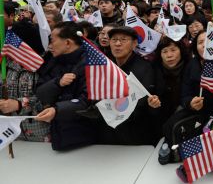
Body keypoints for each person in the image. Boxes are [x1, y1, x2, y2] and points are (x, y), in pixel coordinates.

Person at [35, 22, 98, 150]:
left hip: (87, 137)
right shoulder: (53, 60)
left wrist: (57, 110)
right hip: (58, 133)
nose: (50, 45)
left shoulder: (93, 63)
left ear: (68, 43)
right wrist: (57, 83)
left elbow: (88, 102)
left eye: (52, 40)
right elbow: (40, 92)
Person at [100, 26, 160, 145]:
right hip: (108, 133)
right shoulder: (105, 65)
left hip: (135, 134)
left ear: (134, 44)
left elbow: (142, 103)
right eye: (114, 40)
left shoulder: (145, 68)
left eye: (123, 40)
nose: (118, 44)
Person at [0, 20, 49, 142]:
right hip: (10, 134)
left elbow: (50, 98)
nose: (7, 43)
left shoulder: (44, 64)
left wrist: (20, 104)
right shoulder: (4, 64)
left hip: (41, 132)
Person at [153, 37, 189, 135]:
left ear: (181, 51)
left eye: (173, 50)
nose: (169, 55)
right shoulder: (153, 72)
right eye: (164, 51)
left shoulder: (191, 69)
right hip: (161, 127)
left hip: (186, 124)